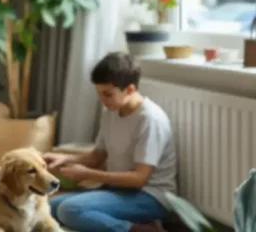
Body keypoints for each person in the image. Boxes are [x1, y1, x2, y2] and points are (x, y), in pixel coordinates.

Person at [43, 52, 177, 232]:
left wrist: (88, 174)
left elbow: (139, 179)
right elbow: (97, 156)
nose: (102, 101)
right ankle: (141, 224)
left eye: (108, 94)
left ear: (130, 89)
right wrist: (65, 159)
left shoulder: (150, 119)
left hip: (150, 196)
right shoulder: (111, 112)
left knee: (69, 210)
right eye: (99, 94)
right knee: (49, 208)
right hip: (119, 190)